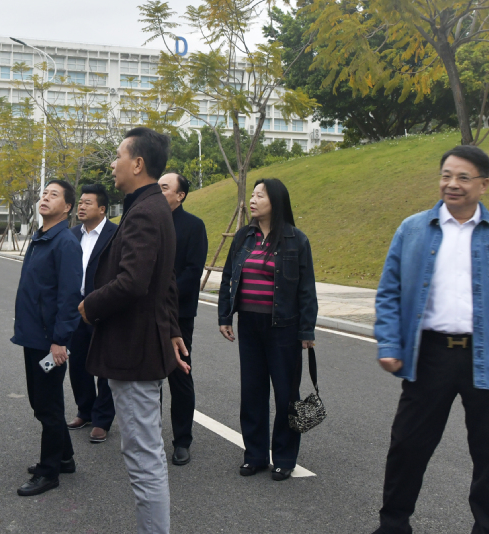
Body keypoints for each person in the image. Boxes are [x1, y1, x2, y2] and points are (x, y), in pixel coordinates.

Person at [371, 145, 489, 534]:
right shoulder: (412, 229)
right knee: (407, 447)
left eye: (463, 177)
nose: (452, 184)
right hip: (429, 355)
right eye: (446, 175)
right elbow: (388, 293)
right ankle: (393, 525)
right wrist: (389, 344)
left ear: (484, 184)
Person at [79, 127, 190, 534]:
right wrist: (172, 328)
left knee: (144, 458)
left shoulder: (145, 211)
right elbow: (166, 278)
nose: (113, 164)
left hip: (134, 350)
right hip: (141, 344)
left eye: (119, 156)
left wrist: (89, 306)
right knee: (143, 453)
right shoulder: (150, 206)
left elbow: (134, 282)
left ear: (138, 163)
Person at [217, 178, 317, 482]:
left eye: (260, 195)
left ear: (276, 201)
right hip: (249, 325)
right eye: (252, 195)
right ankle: (255, 455)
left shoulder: (296, 240)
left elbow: (306, 289)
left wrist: (306, 331)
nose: (253, 200)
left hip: (283, 328)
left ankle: (284, 458)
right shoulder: (243, 237)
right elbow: (228, 277)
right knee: (252, 393)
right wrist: (225, 315)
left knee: (287, 394)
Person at [11, 179, 84, 496]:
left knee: (47, 405)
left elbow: (69, 297)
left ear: (67, 207)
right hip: (33, 336)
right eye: (44, 193)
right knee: (43, 401)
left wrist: (59, 341)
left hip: (49, 342)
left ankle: (49, 471)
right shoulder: (41, 237)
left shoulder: (65, 243)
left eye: (54, 195)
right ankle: (64, 457)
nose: (45, 198)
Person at [157, 172, 208, 466]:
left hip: (178, 313)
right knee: (148, 375)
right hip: (145, 312)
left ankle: (182, 441)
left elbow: (192, 271)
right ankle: (150, 437)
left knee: (180, 375)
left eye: (164, 188)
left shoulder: (193, 226)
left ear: (181, 195)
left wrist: (163, 296)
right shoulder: (149, 222)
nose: (158, 191)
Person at [65, 184, 117, 444]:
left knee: (105, 364)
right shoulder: (72, 234)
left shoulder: (116, 234)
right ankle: (84, 411)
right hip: (76, 308)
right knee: (78, 362)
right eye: (81, 202)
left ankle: (102, 420)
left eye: (88, 203)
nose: (81, 207)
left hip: (103, 307)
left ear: (102, 209)